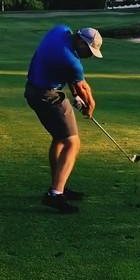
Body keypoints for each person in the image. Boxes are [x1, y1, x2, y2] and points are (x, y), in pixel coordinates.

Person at [25, 25, 103, 214]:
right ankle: (55, 194)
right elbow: (82, 87)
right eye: (89, 51)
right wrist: (90, 106)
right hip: (47, 95)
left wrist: (75, 95)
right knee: (72, 142)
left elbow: (68, 77)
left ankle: (58, 184)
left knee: (60, 139)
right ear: (81, 42)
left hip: (33, 90)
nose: (90, 56)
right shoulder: (72, 62)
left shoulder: (59, 30)